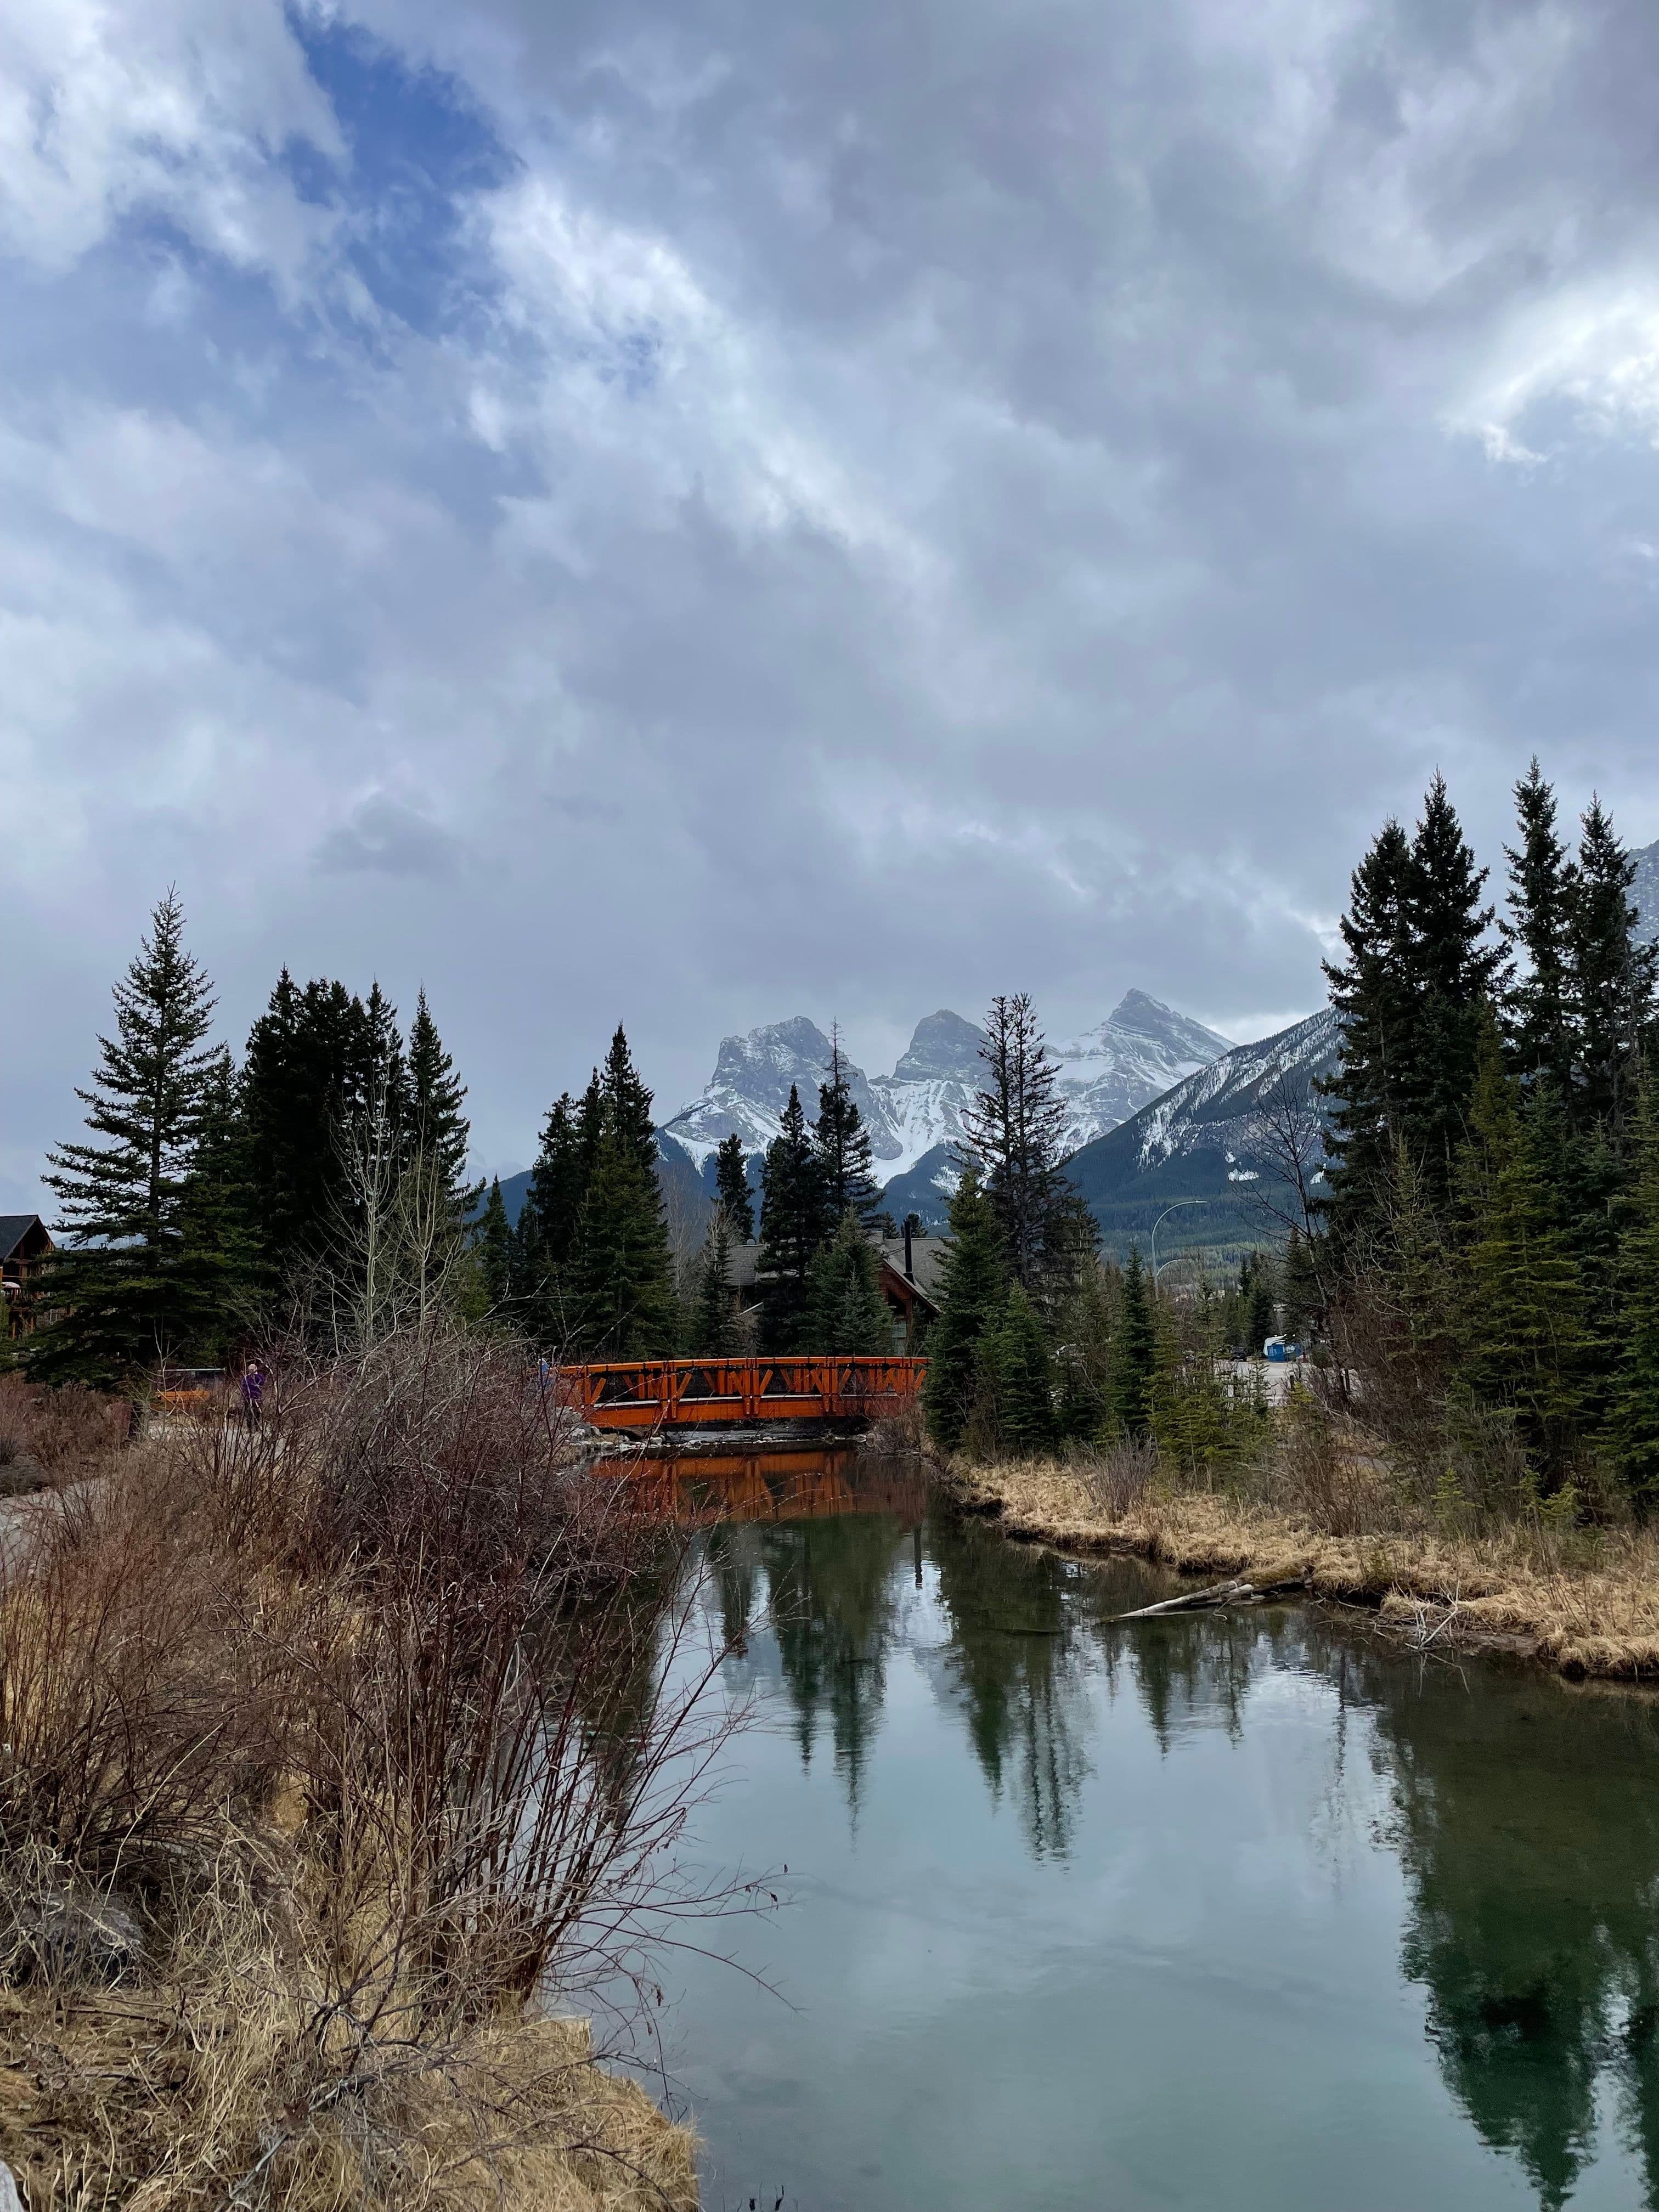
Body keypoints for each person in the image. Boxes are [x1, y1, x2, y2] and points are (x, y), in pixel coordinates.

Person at [240, 1358, 265, 1430]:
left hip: (257, 1397)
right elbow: (244, 1386)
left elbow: (261, 1383)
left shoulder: (259, 1376)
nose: (251, 1371)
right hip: (248, 1397)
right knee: (249, 1413)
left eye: (253, 1369)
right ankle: (249, 1428)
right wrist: (244, 1395)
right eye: (250, 1369)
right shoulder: (246, 1377)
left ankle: (257, 1427)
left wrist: (255, 1378)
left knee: (257, 1412)